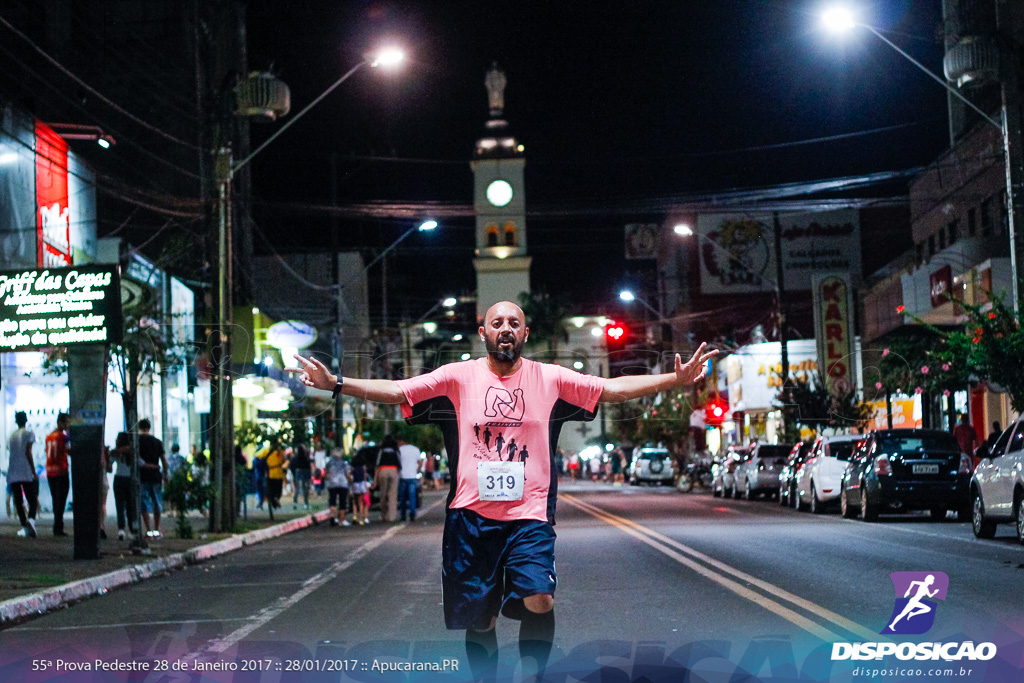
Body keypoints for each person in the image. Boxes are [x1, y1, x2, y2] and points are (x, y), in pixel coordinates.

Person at [290, 300, 716, 679]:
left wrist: (671, 381)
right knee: (482, 620)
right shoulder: (457, 377)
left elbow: (610, 390)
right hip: (471, 517)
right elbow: (398, 390)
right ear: (484, 333)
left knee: (540, 599)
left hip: (529, 515)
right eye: (498, 322)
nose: (506, 328)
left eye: (515, 322)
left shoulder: (549, 378)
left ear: (525, 333)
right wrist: (337, 384)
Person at [7, 411, 39, 538]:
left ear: (16, 421)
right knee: (32, 499)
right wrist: (33, 470)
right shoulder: (29, 434)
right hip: (25, 470)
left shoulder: (11, 436)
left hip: (13, 470)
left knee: (18, 500)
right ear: (26, 421)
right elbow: (28, 452)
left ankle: (24, 526)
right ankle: (31, 519)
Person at [137, 419, 168, 539]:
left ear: (140, 428)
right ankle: (156, 528)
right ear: (149, 428)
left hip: (143, 476)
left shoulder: (137, 442)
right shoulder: (157, 442)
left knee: (144, 502)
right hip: (156, 475)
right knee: (157, 502)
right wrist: (165, 474)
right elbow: (164, 460)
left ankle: (148, 530)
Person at [44, 413, 71, 536]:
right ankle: (58, 526)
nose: (67, 425)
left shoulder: (49, 436)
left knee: (55, 498)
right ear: (60, 422)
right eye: (66, 422)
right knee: (61, 499)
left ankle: (57, 524)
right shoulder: (63, 437)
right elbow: (69, 450)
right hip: (61, 470)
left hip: (50, 470)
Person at [111, 432, 138, 541]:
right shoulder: (132, 451)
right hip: (130, 479)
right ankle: (132, 530)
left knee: (120, 506)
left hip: (119, 478)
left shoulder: (116, 451)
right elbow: (139, 462)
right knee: (131, 506)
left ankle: (121, 529)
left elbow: (109, 466)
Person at [373, 436, 401, 522]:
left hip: (383, 470)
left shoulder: (381, 451)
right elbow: (399, 464)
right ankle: (392, 517)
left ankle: (383, 515)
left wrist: (375, 479)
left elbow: (377, 465)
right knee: (393, 495)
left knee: (383, 494)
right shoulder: (396, 451)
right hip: (393, 470)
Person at [396, 435, 422, 522]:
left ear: (401, 441)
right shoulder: (415, 449)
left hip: (403, 476)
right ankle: (412, 513)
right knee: (412, 496)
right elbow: (420, 462)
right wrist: (417, 470)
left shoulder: (399, 450)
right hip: (412, 476)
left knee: (402, 497)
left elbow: (397, 463)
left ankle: (403, 514)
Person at [325, 448, 352, 527]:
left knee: (332, 500)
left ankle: (333, 516)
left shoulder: (329, 463)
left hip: (332, 484)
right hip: (342, 484)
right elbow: (347, 474)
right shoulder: (344, 463)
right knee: (342, 502)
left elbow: (326, 473)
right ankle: (342, 520)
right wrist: (350, 480)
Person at [349, 448, 370, 524]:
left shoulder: (353, 465)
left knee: (354, 501)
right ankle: (361, 519)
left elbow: (351, 473)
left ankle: (354, 516)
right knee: (361, 502)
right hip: (361, 483)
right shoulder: (363, 465)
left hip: (355, 483)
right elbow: (364, 475)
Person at [290, 443, 312, 510]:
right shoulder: (305, 459)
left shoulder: (295, 458)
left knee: (297, 489)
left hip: (298, 474)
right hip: (305, 474)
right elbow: (308, 468)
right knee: (305, 489)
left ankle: (295, 503)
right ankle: (306, 503)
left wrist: (294, 473)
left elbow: (291, 466)